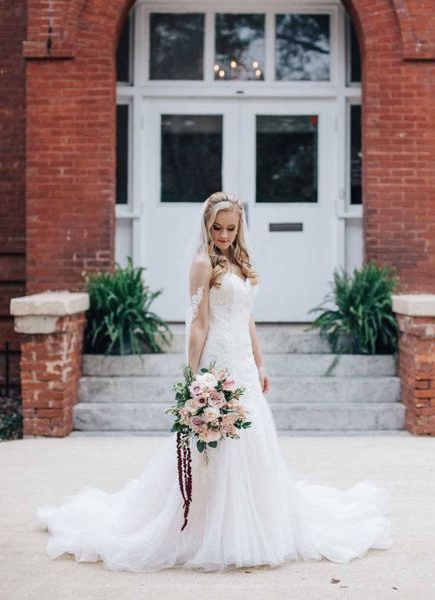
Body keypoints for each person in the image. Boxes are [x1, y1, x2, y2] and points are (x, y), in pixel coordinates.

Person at [36, 191, 393, 572]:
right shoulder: (202, 264)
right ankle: (207, 526)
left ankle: (258, 521)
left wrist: (260, 363)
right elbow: (199, 322)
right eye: (217, 228)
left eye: (231, 228)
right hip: (217, 361)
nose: (223, 234)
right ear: (207, 225)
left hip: (242, 359)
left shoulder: (241, 261)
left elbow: (248, 316)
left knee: (253, 440)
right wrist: (192, 376)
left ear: (239, 227)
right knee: (217, 444)